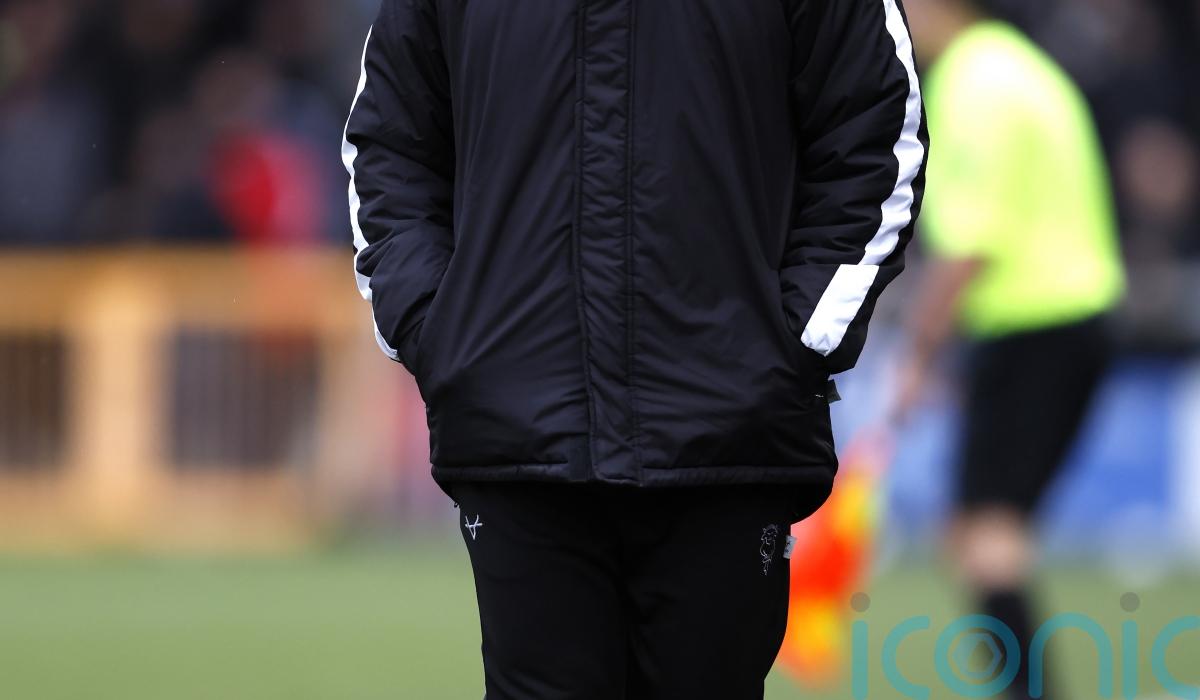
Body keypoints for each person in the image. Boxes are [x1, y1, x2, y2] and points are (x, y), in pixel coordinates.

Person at [343, 1, 926, 697]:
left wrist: (795, 342)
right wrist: (439, 332)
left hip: (728, 435)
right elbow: (389, 146)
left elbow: (875, 136)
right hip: (518, 429)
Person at [894, 1, 1125, 698]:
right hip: (1053, 321)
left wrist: (918, 356)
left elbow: (971, 242)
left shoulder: (977, 84)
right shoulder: (1014, 68)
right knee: (984, 530)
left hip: (1036, 324)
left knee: (985, 533)